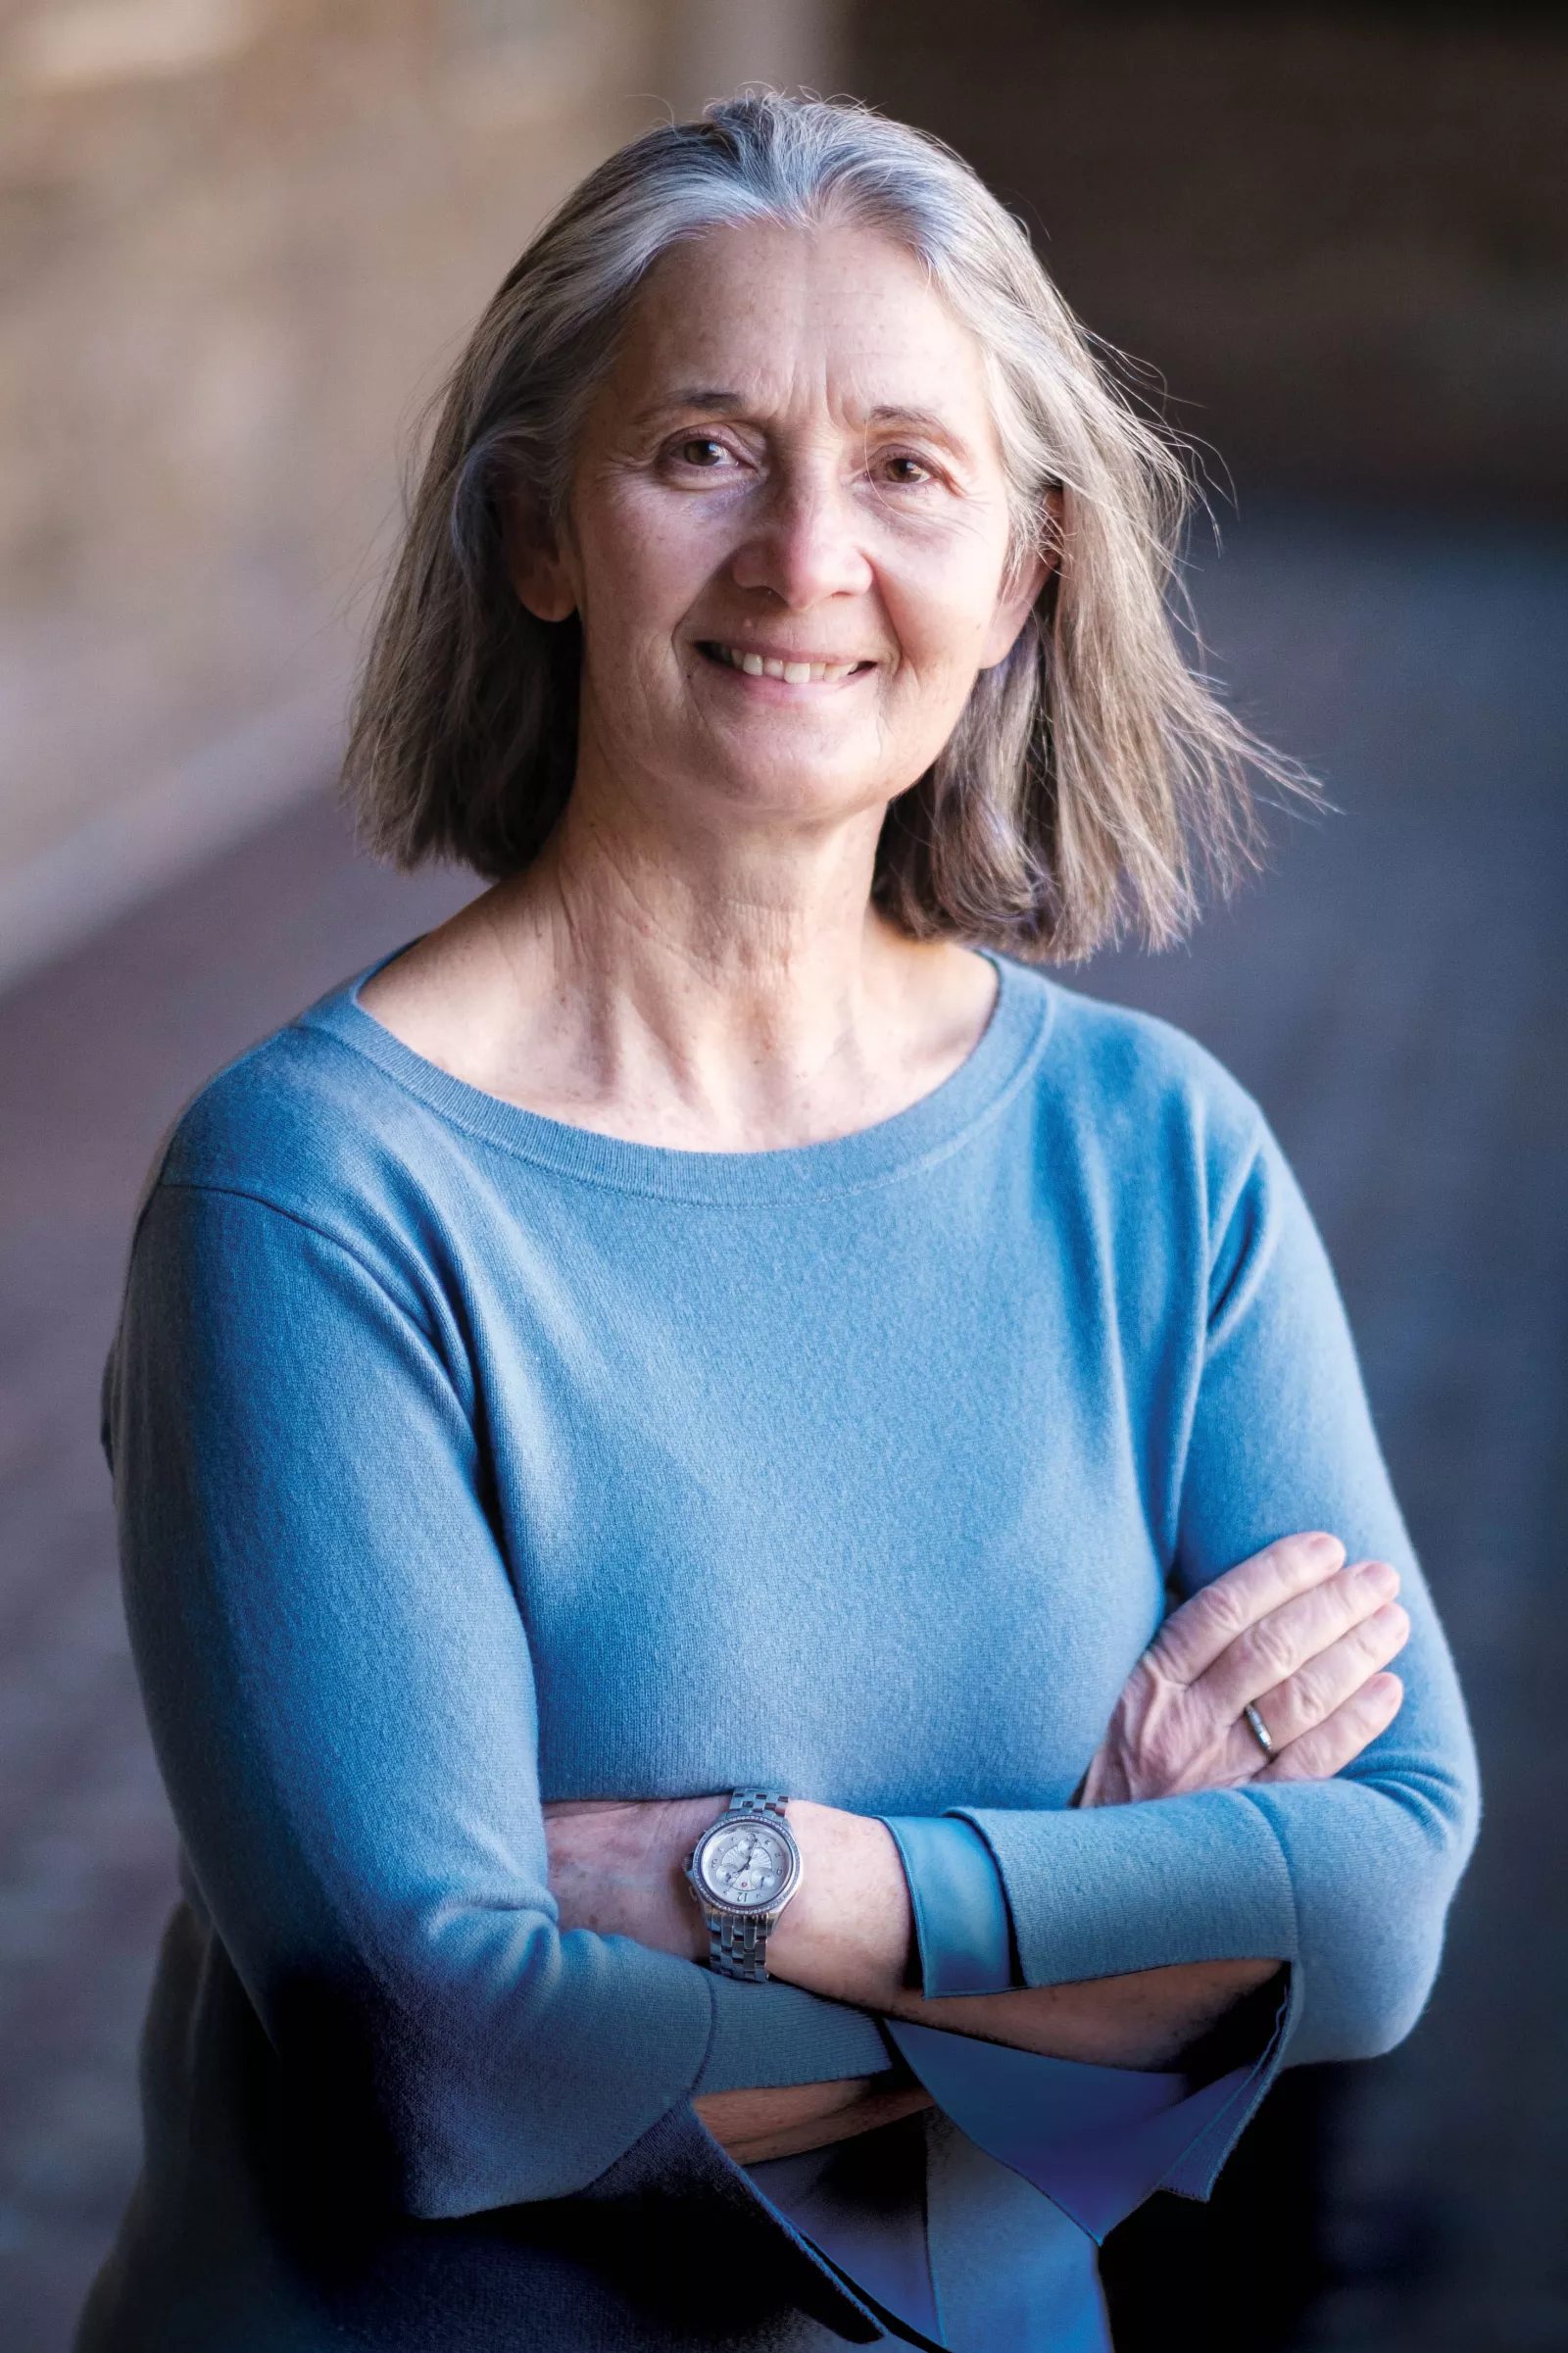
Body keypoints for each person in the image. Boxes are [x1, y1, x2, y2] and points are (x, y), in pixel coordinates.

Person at [79, 95, 1478, 2353]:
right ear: (540, 529)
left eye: (906, 469)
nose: (804, 556)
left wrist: (779, 1887)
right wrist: (1094, 1930)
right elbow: (444, 2042)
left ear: (1017, 576)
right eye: (705, 449)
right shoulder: (315, 1198)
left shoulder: (1157, 1157)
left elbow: (1384, 1895)